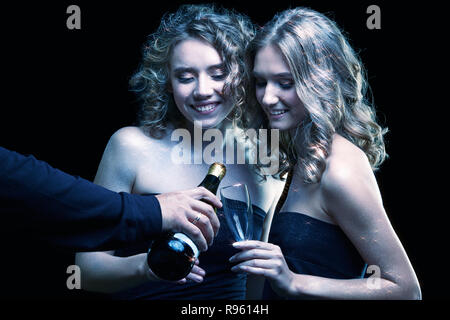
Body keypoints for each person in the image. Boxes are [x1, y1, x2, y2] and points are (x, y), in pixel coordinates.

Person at [75, 4, 284, 299]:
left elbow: (254, 286)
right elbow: (85, 271)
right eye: (186, 76)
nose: (202, 90)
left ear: (242, 75)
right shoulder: (130, 147)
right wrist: (147, 267)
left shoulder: (266, 158)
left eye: (218, 73)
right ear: (168, 83)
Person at [229, 7, 421, 299]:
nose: (267, 97)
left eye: (285, 82)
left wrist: (294, 282)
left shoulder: (340, 169)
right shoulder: (302, 155)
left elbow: (405, 290)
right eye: (261, 81)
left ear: (320, 81)